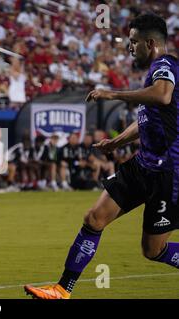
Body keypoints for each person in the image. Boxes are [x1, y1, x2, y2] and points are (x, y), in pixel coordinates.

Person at [25, 13, 179, 299]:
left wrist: (112, 94)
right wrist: (117, 142)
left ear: (149, 42)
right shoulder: (155, 72)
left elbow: (162, 96)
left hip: (169, 174)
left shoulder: (166, 65)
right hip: (142, 165)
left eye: (133, 42)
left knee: (152, 250)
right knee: (94, 218)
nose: (129, 48)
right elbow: (149, 117)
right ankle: (62, 289)